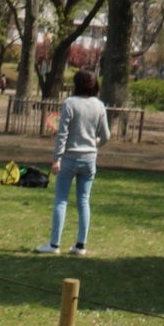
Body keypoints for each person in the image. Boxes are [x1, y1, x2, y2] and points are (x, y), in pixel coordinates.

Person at [35, 69, 110, 256]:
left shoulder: (69, 103)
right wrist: (96, 143)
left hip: (69, 158)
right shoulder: (99, 105)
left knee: (61, 200)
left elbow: (62, 134)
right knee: (84, 201)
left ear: (76, 85)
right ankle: (80, 245)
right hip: (89, 158)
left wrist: (56, 159)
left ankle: (54, 245)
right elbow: (106, 135)